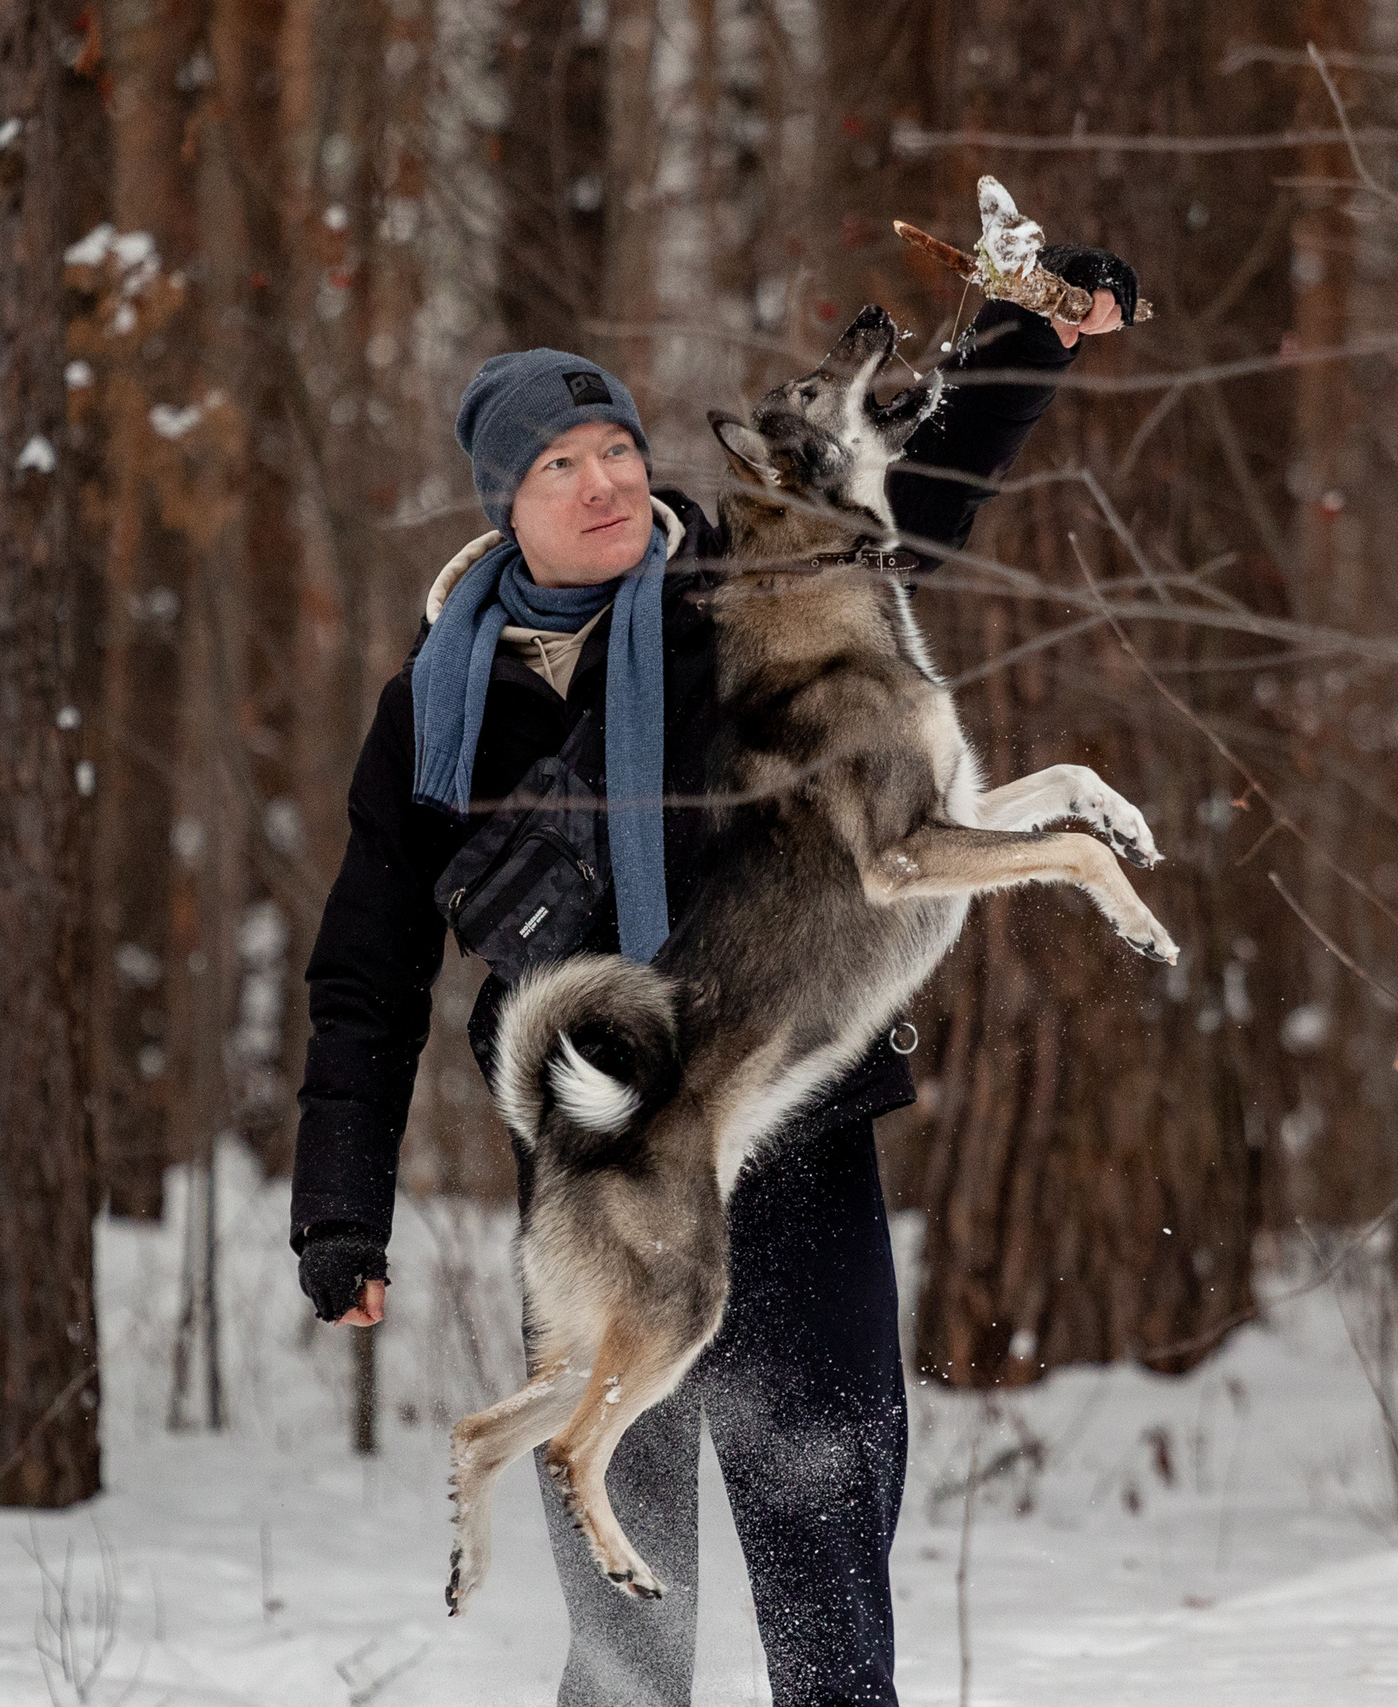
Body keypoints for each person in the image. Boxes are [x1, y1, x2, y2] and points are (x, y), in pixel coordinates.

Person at [290, 249, 1139, 1707]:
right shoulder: (437, 702)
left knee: (824, 1531)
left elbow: (911, 503)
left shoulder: (737, 592)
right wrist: (340, 1211)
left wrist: (1033, 331)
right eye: (566, 464)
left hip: (791, 1112)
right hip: (602, 1138)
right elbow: (368, 970)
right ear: (508, 503)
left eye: (620, 447)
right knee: (627, 1596)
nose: (611, 483)